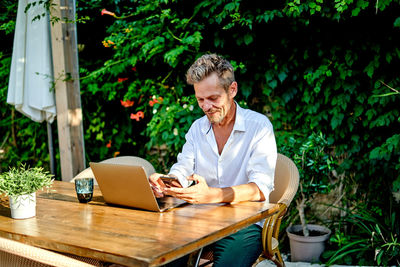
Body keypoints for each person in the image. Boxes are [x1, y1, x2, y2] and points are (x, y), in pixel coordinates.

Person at [149, 53, 277, 267]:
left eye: (213, 98)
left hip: (243, 224)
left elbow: (261, 188)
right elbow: (182, 168)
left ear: (232, 90)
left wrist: (212, 195)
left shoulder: (259, 127)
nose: (206, 107)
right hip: (196, 218)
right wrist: (167, 182)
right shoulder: (197, 129)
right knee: (162, 258)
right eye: (200, 99)